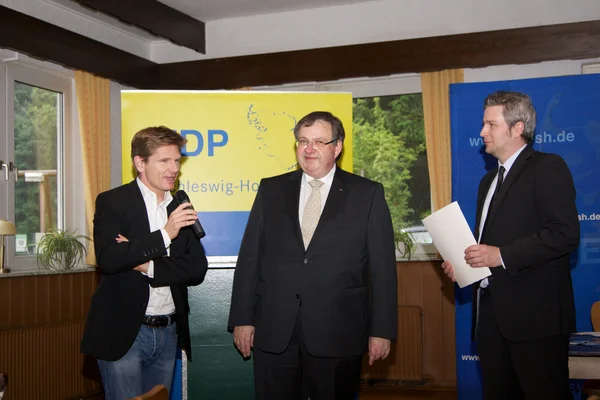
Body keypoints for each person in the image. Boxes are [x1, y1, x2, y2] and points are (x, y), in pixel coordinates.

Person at [228, 111, 398, 399]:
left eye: (319, 141)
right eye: (302, 141)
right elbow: (250, 259)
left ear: (337, 147)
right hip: (274, 330)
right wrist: (243, 318)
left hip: (338, 332)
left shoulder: (367, 194)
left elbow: (383, 269)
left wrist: (382, 330)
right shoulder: (271, 190)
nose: (308, 149)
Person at [442, 91, 579, 400]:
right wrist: (463, 262)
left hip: (536, 319)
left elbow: (565, 234)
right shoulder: (487, 182)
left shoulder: (546, 167)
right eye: (482, 124)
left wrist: (501, 255)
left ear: (518, 128)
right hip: (491, 318)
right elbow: (486, 246)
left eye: (491, 124)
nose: (482, 132)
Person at [81, 126, 208, 400]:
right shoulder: (113, 202)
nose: (174, 168)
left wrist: (145, 264)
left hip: (169, 331)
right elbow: (110, 258)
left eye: (177, 160)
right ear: (140, 163)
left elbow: (196, 268)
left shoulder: (179, 205)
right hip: (125, 331)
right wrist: (165, 234)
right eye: (164, 160)